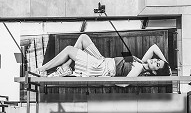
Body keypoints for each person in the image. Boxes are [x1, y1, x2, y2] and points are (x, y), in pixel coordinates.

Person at [35, 33, 171, 77]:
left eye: (157, 64)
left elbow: (123, 84)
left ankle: (41, 70)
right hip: (104, 61)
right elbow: (154, 47)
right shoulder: (141, 62)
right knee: (83, 37)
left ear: (154, 72)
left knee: (70, 50)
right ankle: (65, 68)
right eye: (156, 60)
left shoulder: (139, 69)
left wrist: (128, 68)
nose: (154, 60)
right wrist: (166, 64)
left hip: (103, 67)